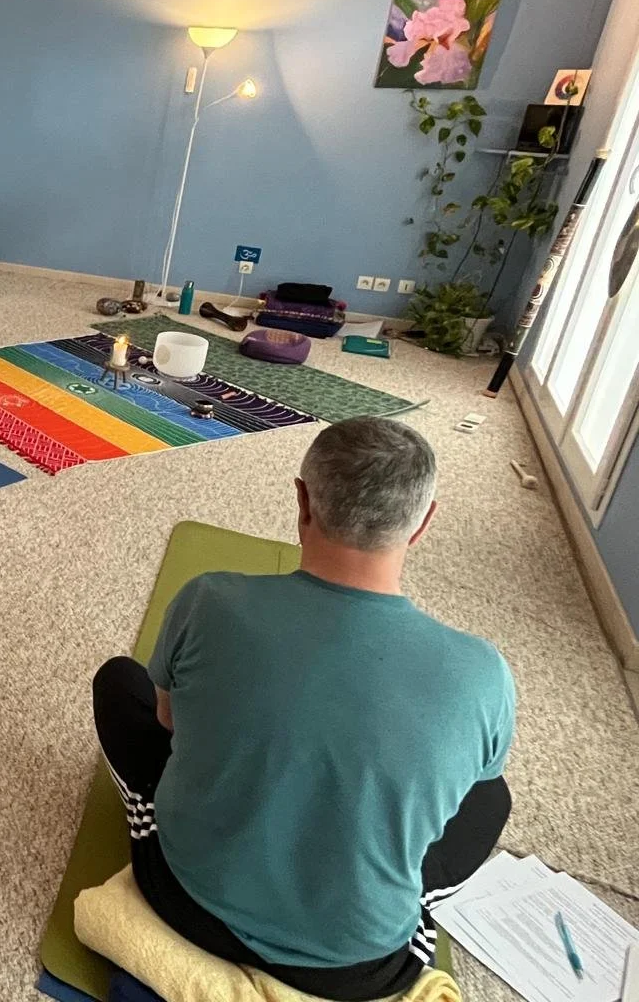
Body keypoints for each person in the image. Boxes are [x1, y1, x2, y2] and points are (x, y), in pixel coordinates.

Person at [92, 418, 514, 1002]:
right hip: (354, 965)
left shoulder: (208, 599)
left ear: (302, 502)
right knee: (492, 796)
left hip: (184, 898)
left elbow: (167, 723)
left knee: (120, 681)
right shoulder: (483, 673)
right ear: (424, 524)